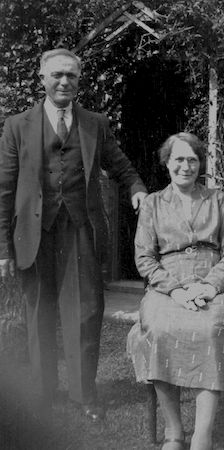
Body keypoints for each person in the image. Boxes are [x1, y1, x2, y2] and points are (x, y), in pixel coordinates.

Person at [0, 48, 147, 421]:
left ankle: (85, 396)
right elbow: (4, 187)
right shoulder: (17, 125)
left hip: (80, 230)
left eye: (72, 76)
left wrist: (136, 188)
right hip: (33, 233)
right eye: (57, 75)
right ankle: (42, 394)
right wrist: (2, 248)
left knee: (85, 312)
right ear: (42, 79)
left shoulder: (94, 122)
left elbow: (120, 164)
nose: (64, 81)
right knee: (39, 315)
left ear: (79, 81)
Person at [127, 132, 224, 450]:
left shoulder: (218, 200)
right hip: (166, 288)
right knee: (158, 328)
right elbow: (144, 258)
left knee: (209, 328)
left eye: (192, 159)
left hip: (218, 285)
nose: (185, 166)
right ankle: (174, 431)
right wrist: (174, 291)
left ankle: (203, 434)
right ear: (167, 163)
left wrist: (212, 286)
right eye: (179, 159)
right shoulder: (154, 204)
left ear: (200, 164)